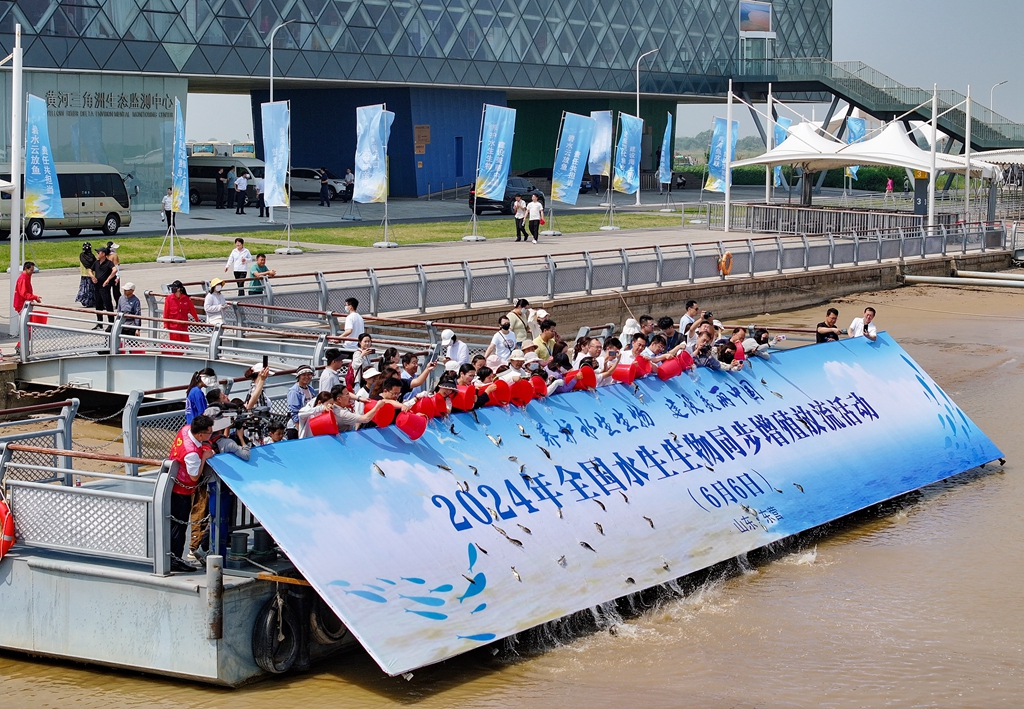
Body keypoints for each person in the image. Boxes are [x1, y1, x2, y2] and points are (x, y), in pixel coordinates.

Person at [167, 414, 215, 571]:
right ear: (200, 435)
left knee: (175, 525)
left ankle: (172, 558)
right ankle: (174, 560)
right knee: (178, 527)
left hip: (173, 481)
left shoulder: (185, 429)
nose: (211, 434)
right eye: (209, 432)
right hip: (181, 490)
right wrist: (204, 456)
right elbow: (194, 476)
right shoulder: (192, 453)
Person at [285, 365, 317, 440]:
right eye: (304, 375)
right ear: (298, 376)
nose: (307, 377)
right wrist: (300, 430)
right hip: (296, 427)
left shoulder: (310, 389)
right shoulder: (294, 391)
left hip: (308, 425)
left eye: (309, 375)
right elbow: (294, 412)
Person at [163, 280, 199, 344]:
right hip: (173, 327)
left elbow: (192, 310)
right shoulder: (168, 299)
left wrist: (197, 320)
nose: (172, 289)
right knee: (175, 345)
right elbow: (166, 313)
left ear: (179, 289)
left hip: (184, 327)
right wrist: (166, 325)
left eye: (174, 287)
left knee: (185, 344)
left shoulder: (187, 299)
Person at [91, 247, 117, 330]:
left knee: (108, 304)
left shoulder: (109, 263)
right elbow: (90, 270)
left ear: (103, 254)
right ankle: (99, 323)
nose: (97, 254)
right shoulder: (96, 262)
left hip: (105, 287)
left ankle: (111, 324)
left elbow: (114, 270)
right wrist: (92, 277)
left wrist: (108, 279)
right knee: (98, 305)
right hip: (97, 286)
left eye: (98, 252)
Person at [76, 243, 99, 323]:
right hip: (92, 274)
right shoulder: (92, 256)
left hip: (84, 274)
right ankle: (92, 301)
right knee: (92, 289)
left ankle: (86, 301)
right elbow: (94, 264)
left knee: (85, 288)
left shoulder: (81, 255)